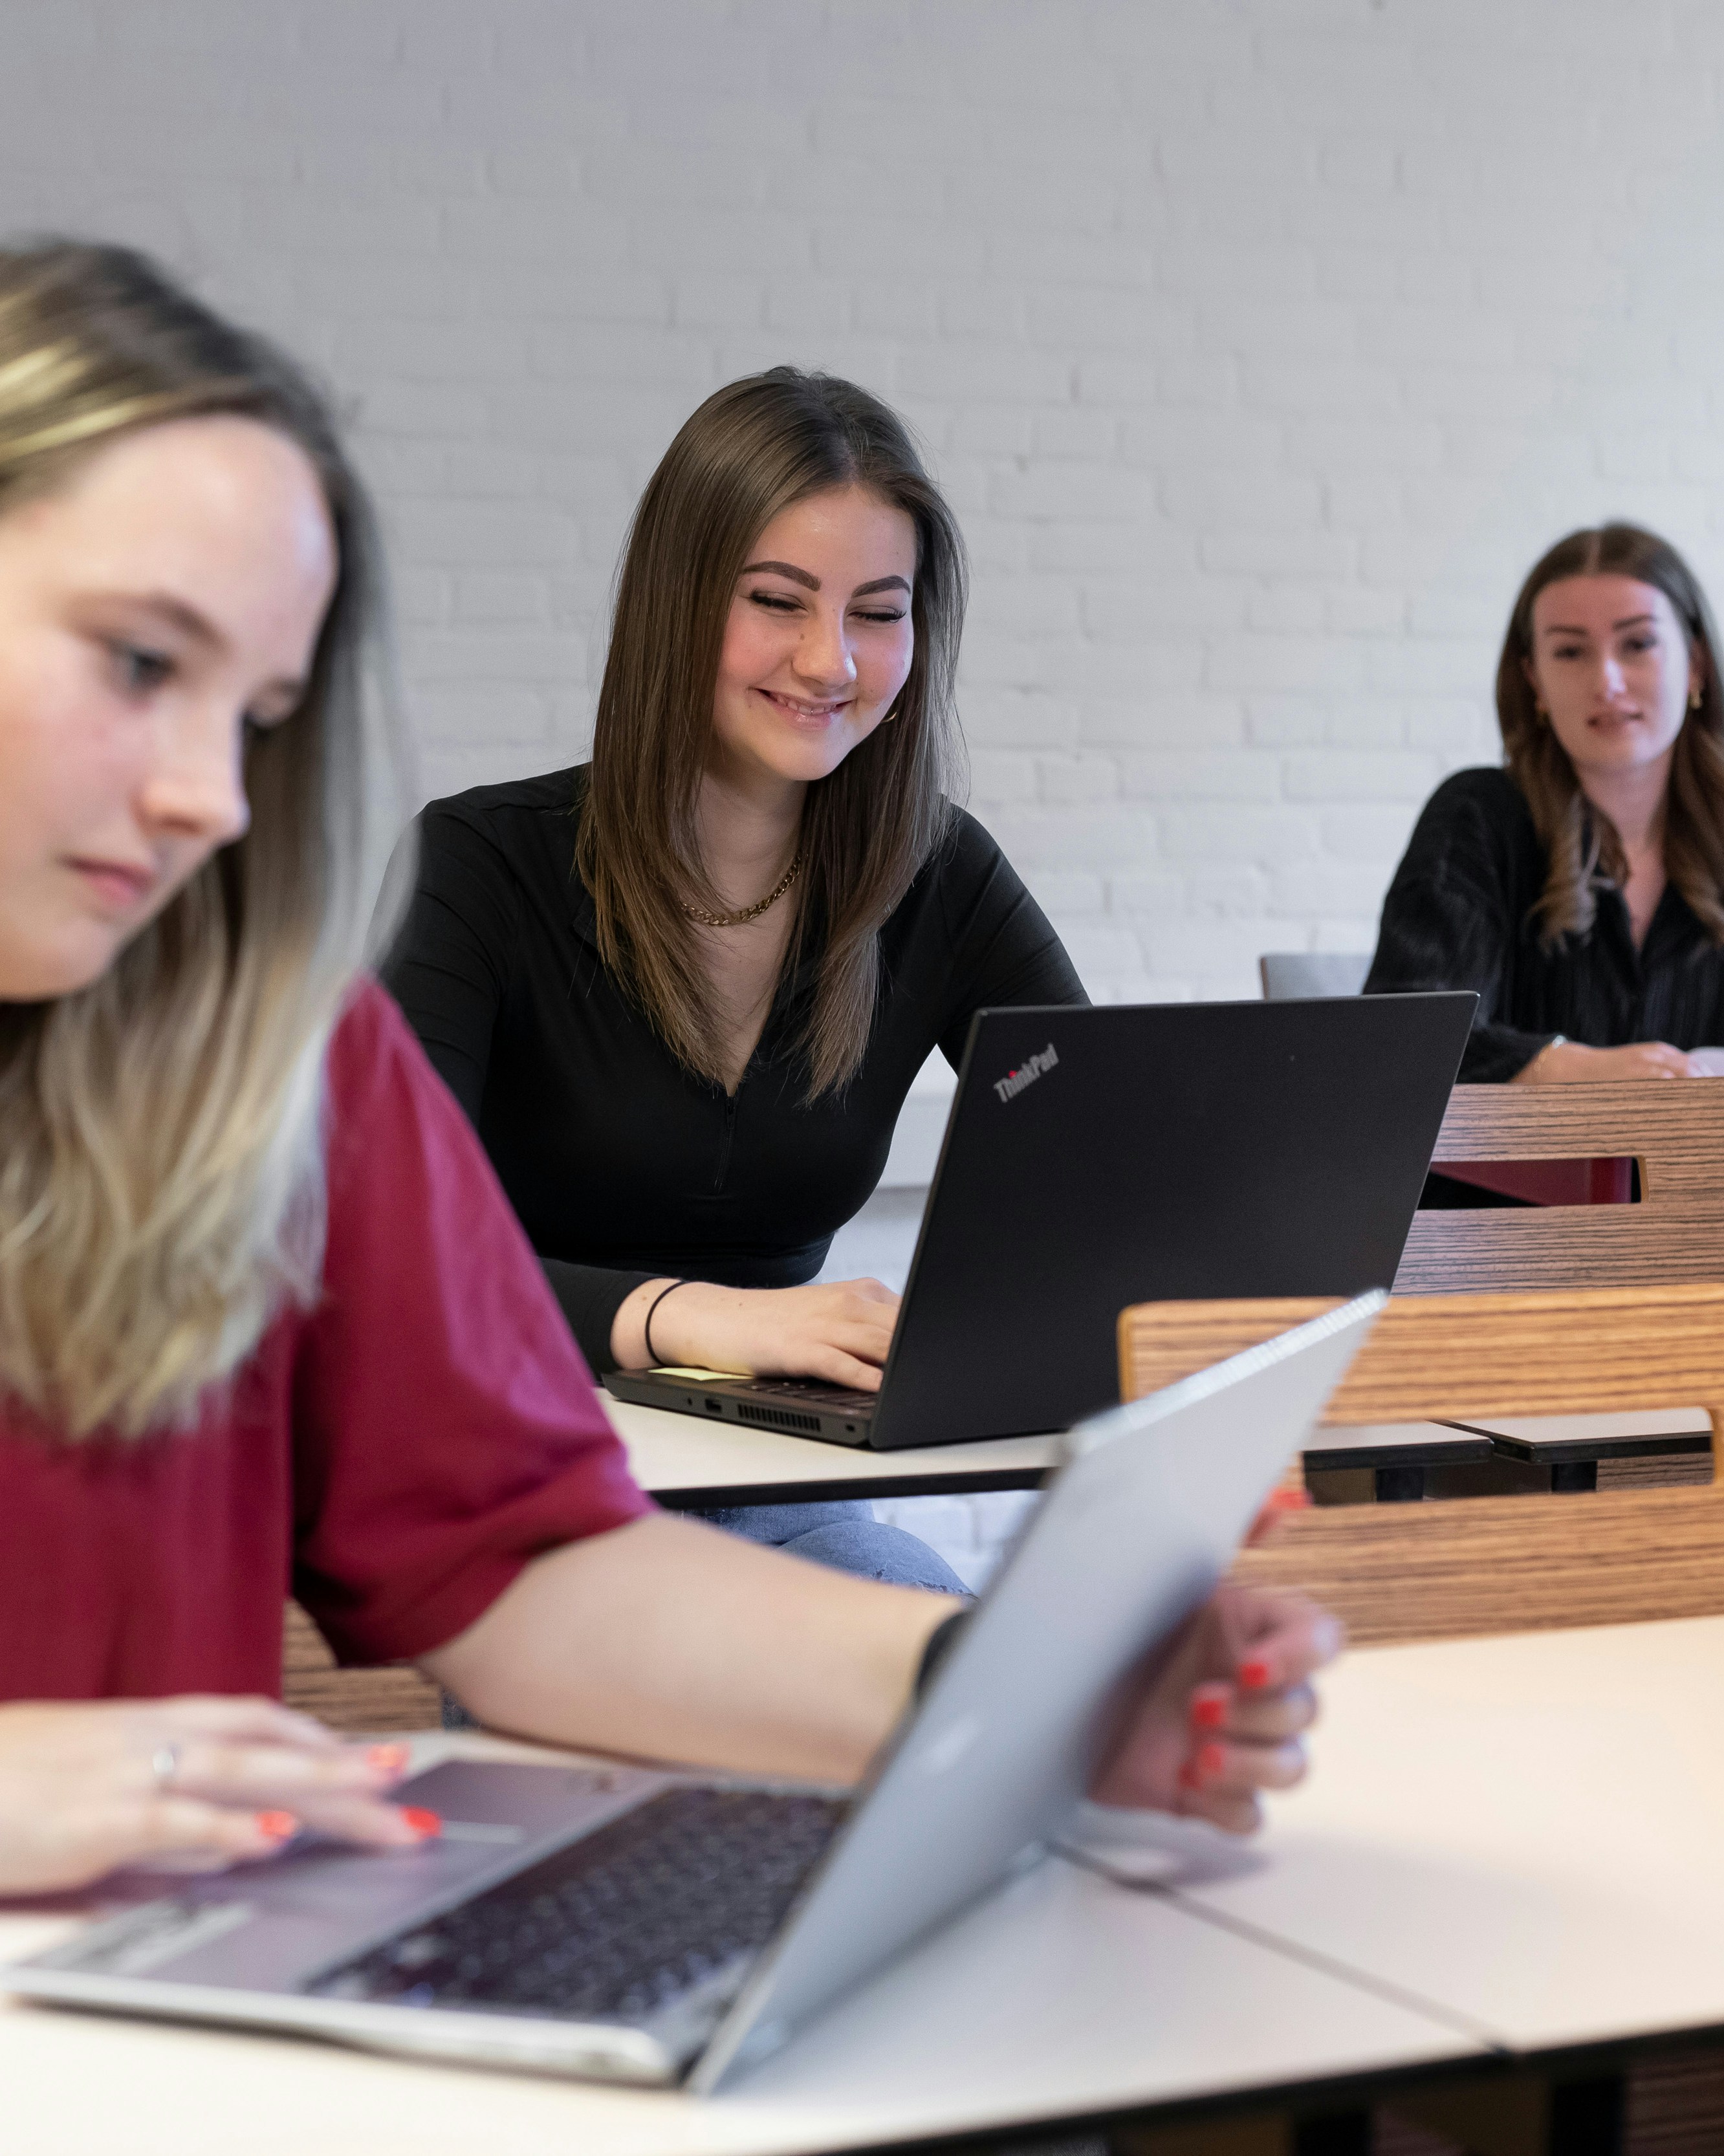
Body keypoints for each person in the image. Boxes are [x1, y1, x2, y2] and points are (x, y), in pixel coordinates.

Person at [0, 241, 1335, 1898]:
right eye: (141, 664)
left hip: (162, 2002)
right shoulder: (489, 874)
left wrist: (1024, 1702)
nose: (212, 792)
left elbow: (526, 1576)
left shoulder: (267, 1060)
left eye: (258, 714)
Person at [383, 370, 1087, 1585]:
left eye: (879, 611)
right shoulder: (482, 865)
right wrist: (699, 1317)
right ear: (679, 600)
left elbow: (1104, 1153)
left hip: (776, 1487)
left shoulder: (941, 874)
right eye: (778, 601)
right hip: (525, 1483)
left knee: (974, 1671)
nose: (831, 661)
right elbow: (390, 1249)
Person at [1366, 523, 1724, 1083]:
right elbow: (1402, 1039)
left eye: (1638, 643)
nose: (1606, 681)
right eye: (1570, 651)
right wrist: (1565, 1066)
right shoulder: (1477, 816)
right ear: (1535, 679)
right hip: (1509, 1173)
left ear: (1697, 664)